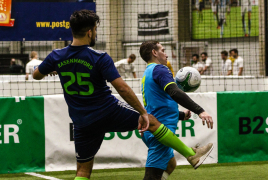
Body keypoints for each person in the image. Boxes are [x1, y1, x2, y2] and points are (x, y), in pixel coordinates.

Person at [32, 10, 213, 180]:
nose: (95, 33)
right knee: (152, 122)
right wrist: (142, 112)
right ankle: (191, 155)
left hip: (81, 121)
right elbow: (123, 89)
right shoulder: (99, 57)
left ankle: (190, 155)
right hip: (107, 111)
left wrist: (55, 69)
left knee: (83, 171)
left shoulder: (56, 56)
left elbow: (36, 75)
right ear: (89, 32)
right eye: (95, 30)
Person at [140, 41, 214, 180]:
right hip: (160, 130)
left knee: (170, 164)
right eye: (163, 50)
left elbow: (155, 103)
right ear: (154, 53)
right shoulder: (160, 69)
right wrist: (200, 111)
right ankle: (192, 154)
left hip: (155, 126)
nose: (166, 54)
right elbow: (174, 92)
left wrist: (180, 115)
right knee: (151, 177)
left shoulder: (148, 72)